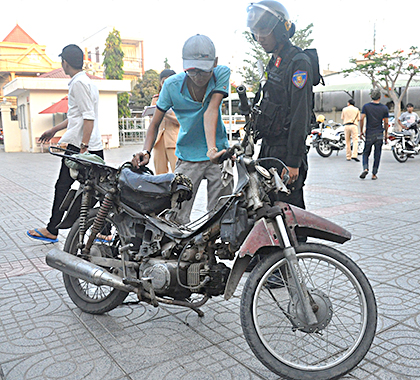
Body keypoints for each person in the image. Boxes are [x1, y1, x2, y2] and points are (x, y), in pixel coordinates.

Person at [132, 34, 233, 224]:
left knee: (222, 215)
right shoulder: (171, 86)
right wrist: (146, 151)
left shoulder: (222, 73)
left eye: (203, 71)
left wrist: (212, 150)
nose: (197, 77)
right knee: (176, 216)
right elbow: (154, 124)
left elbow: (211, 110)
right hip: (188, 156)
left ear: (215, 63)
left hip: (218, 154)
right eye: (191, 71)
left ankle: (210, 251)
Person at [27, 44, 103, 242]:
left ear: (65, 63)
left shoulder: (78, 84)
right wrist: (54, 130)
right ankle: (104, 232)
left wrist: (83, 147)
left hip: (80, 147)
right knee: (100, 189)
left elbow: (88, 117)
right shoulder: (86, 82)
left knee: (64, 187)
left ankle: (53, 230)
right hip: (91, 145)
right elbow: (77, 116)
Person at [246, 0, 314, 210]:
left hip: (286, 151)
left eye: (264, 31)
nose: (259, 37)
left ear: (280, 31)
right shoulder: (275, 61)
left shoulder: (298, 62)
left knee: (289, 212)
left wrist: (293, 160)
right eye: (255, 32)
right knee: (268, 210)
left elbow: (300, 114)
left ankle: (301, 245)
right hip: (269, 148)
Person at [150, 69, 180, 174]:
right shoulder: (156, 99)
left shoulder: (180, 99)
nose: (166, 84)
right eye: (163, 81)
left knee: (177, 172)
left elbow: (181, 121)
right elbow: (152, 121)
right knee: (159, 174)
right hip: (158, 140)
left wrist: (165, 114)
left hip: (174, 140)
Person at [359, 89, 389, 180]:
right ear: (380, 97)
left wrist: (361, 131)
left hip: (369, 133)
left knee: (366, 153)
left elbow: (361, 119)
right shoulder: (384, 108)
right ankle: (374, 174)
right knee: (377, 154)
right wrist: (386, 134)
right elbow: (386, 123)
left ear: (371, 97)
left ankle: (365, 168)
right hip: (379, 133)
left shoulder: (366, 107)